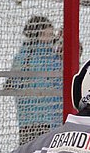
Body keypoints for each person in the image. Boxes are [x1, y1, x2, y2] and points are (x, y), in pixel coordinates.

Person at [8, 15, 63, 145]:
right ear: (37, 34)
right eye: (48, 33)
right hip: (34, 120)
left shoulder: (53, 55)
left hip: (52, 120)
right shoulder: (29, 55)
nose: (52, 37)